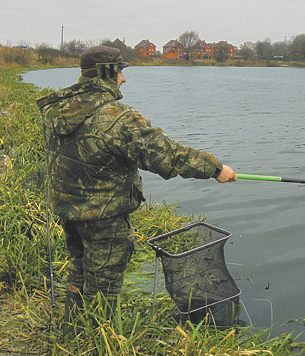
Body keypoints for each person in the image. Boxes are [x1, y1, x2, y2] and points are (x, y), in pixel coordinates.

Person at [36, 45, 237, 323]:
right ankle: (96, 341)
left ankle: (74, 327)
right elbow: (166, 155)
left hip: (68, 210)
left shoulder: (57, 110)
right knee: (102, 287)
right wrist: (215, 169)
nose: (123, 78)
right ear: (106, 73)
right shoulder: (116, 117)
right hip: (104, 217)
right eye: (119, 71)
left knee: (79, 269)